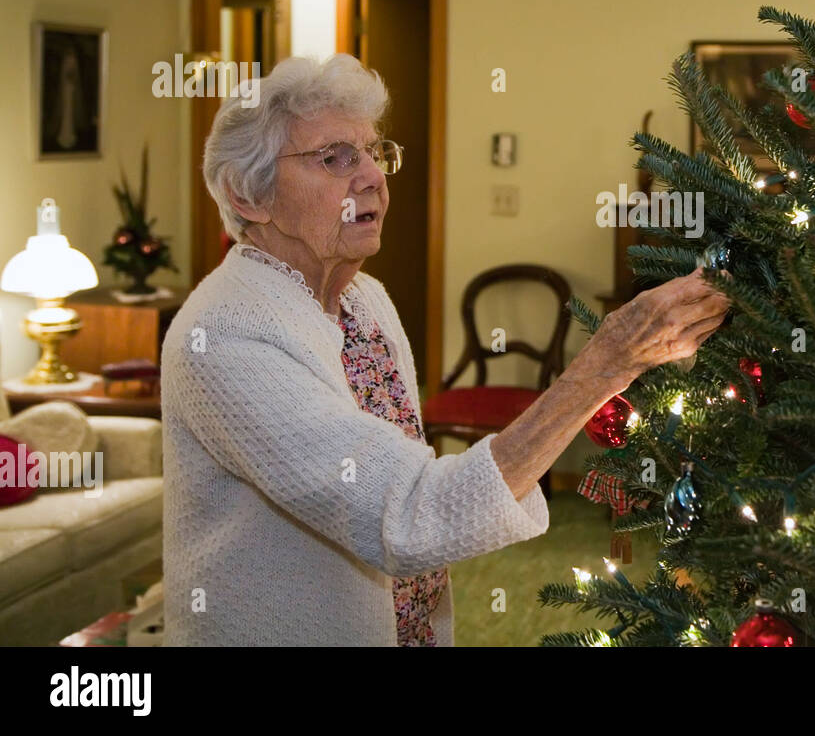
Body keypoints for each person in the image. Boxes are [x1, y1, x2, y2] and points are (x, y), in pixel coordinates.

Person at [161, 54, 728, 645]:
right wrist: (604, 364)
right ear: (249, 196)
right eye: (335, 158)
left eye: (376, 153)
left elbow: (407, 484)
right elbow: (407, 516)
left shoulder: (366, 300)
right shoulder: (226, 337)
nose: (373, 177)